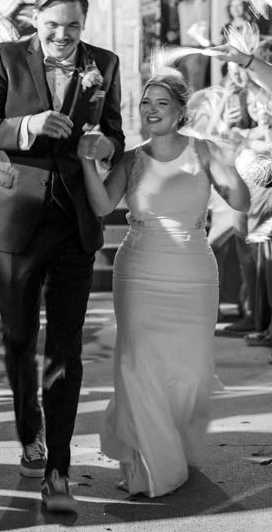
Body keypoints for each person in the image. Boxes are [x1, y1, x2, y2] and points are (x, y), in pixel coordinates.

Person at [0, 0, 125, 512]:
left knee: (66, 348)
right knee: (16, 341)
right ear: (36, 20)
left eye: (74, 26)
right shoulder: (4, 57)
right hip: (14, 223)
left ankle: (58, 465)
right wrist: (27, 125)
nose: (63, 36)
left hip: (75, 222)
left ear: (85, 22)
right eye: (54, 26)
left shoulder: (105, 63)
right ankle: (28, 432)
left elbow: (116, 133)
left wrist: (104, 143)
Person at [80, 70, 250, 497]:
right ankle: (150, 466)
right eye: (146, 103)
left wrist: (238, 166)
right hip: (138, 270)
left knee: (189, 372)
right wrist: (86, 160)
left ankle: (173, 444)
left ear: (180, 113)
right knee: (138, 368)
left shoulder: (205, 152)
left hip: (193, 271)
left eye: (161, 104)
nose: (151, 110)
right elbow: (101, 203)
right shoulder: (131, 158)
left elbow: (240, 200)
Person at [174, 0, 210, 91]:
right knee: (184, 89)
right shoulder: (181, 5)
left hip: (196, 50)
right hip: (184, 51)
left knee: (195, 89)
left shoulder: (201, 1)